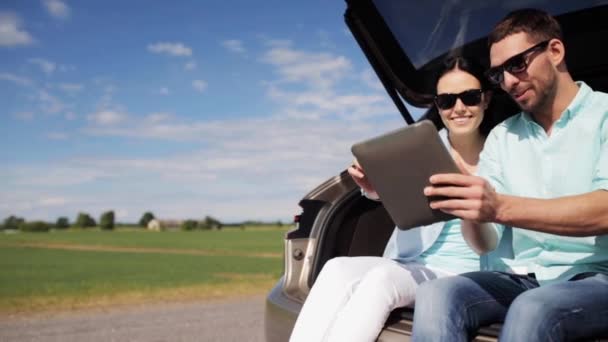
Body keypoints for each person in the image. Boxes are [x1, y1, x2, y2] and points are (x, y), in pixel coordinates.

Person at [412, 8, 608, 342]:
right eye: (499, 73)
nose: (508, 82)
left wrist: (498, 206)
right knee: (435, 294)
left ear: (555, 51)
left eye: (516, 64)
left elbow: (604, 210)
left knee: (532, 308)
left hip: (595, 277)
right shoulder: (502, 136)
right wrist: (471, 211)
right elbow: (486, 242)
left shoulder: (604, 115)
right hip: (518, 276)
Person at [288, 56, 498, 342]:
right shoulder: (421, 146)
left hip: (465, 273)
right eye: (447, 101)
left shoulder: (504, 151)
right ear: (437, 106)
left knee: (382, 280)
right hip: (411, 262)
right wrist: (373, 187)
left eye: (469, 97)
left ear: (486, 99)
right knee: (336, 267)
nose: (458, 108)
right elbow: (405, 196)